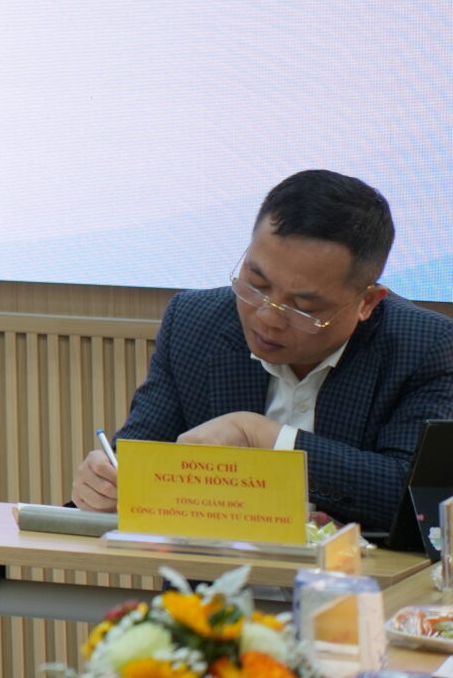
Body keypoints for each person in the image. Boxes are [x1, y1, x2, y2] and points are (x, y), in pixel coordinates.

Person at [71, 169, 453, 536]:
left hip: (361, 579)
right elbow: (139, 456)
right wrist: (104, 484)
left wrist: (264, 437)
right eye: (256, 285)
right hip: (217, 578)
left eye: (304, 306)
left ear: (367, 302)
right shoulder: (195, 322)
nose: (268, 318)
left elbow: (416, 502)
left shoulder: (425, 346)